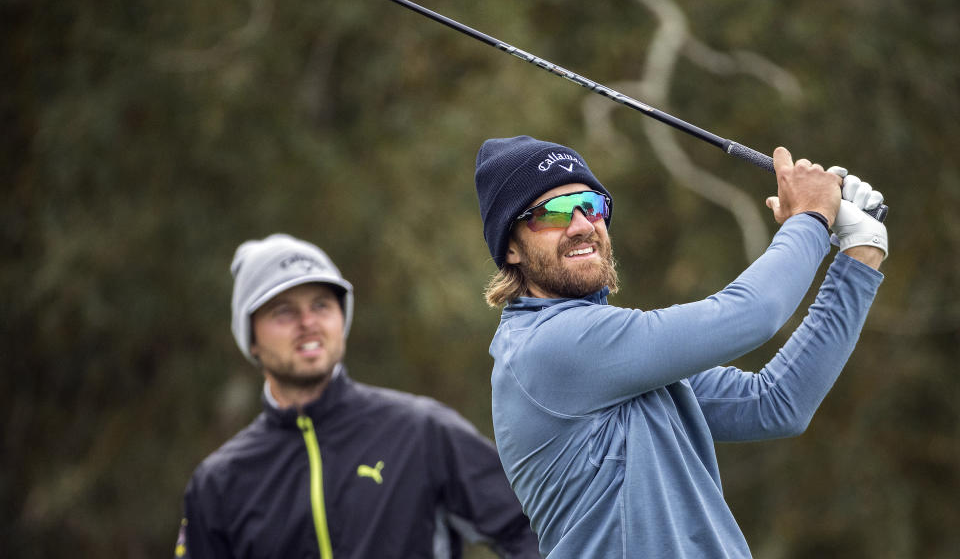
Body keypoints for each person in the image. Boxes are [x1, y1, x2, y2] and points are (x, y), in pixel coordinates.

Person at [473, 135, 888, 558]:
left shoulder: (616, 361)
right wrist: (813, 216)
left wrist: (860, 254)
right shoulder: (550, 346)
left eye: (591, 205)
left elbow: (777, 403)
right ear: (510, 247)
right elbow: (753, 313)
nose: (582, 225)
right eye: (553, 213)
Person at [174, 234, 540, 559]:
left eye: (321, 305)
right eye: (283, 311)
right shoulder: (218, 483)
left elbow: (530, 530)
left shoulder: (421, 431)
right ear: (251, 338)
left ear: (341, 318)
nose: (308, 322)